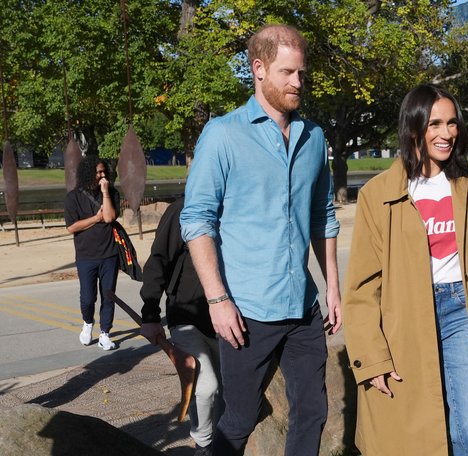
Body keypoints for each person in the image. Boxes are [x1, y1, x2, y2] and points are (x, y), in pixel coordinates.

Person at [179, 24, 341, 456]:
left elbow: (322, 215)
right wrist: (217, 300)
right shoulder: (223, 134)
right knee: (239, 418)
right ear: (258, 69)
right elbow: (196, 220)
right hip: (247, 312)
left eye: (302, 74)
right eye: (288, 73)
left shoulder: (314, 138)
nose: (297, 83)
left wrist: (333, 290)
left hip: (303, 308)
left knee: (313, 412)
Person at [342, 84, 468, 456]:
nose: (446, 133)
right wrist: (371, 359)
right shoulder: (378, 194)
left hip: (459, 312)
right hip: (403, 319)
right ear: (414, 127)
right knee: (415, 434)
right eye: (435, 124)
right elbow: (361, 287)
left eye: (452, 123)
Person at [140, 197, 221, 456]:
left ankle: (225, 444)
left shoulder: (239, 202)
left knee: (229, 391)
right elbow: (158, 261)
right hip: (186, 316)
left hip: (231, 317)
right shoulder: (183, 208)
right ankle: (203, 446)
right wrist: (150, 315)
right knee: (207, 387)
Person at [65, 156, 120, 351]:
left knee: (108, 296)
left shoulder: (111, 193)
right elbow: (72, 227)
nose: (102, 175)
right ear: (88, 173)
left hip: (109, 254)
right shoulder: (73, 197)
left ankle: (105, 333)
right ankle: (88, 322)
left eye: (104, 171)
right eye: (98, 172)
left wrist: (105, 192)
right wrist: (95, 219)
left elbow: (110, 217)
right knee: (88, 298)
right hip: (86, 256)